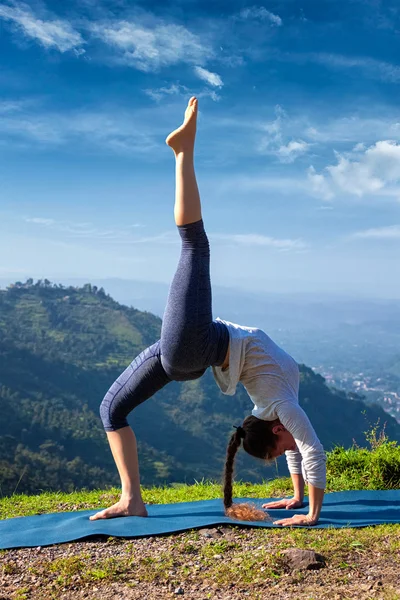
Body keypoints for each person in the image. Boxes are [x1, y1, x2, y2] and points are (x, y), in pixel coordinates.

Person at [90, 97, 326, 526]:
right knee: (111, 410)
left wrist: (308, 512)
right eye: (280, 450)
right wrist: (299, 501)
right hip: (191, 352)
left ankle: (184, 151)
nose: (285, 449)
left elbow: (303, 444)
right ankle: (132, 500)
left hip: (194, 347)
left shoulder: (278, 406)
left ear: (273, 428)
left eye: (277, 450)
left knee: (194, 244)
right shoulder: (280, 406)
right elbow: (300, 444)